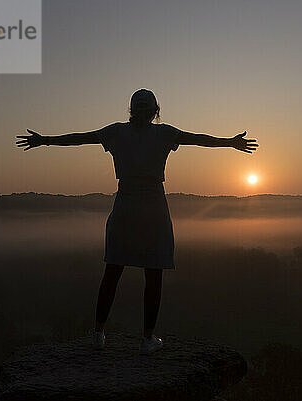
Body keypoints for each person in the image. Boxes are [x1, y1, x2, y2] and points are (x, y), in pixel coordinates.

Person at [16, 89, 258, 354]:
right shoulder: (163, 133)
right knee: (153, 273)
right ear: (156, 111)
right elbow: (198, 140)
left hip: (126, 203)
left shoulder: (117, 132)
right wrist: (229, 143)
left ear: (131, 110)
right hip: (153, 204)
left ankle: (98, 333)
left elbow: (79, 138)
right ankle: (147, 338)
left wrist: (45, 140)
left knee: (113, 270)